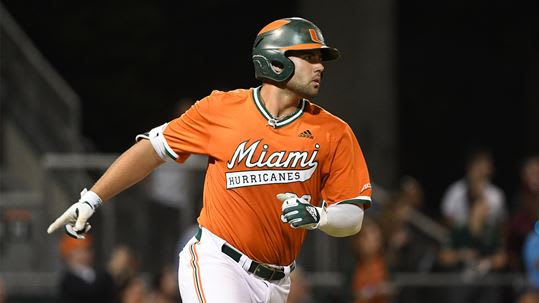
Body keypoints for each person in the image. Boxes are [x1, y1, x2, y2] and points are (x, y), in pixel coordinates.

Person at [47, 17, 372, 303]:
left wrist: (320, 216)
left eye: (320, 58)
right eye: (309, 56)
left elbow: (352, 216)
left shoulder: (333, 131)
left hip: (278, 283)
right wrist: (92, 198)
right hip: (220, 263)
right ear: (275, 60)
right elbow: (152, 149)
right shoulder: (221, 109)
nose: (320, 66)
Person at [440, 147, 507, 227]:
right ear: (469, 166)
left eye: (484, 165)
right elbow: (446, 220)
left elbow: (502, 225)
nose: (480, 169)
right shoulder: (456, 190)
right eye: (478, 164)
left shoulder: (496, 195)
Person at [58, 234, 115, 303]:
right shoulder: (68, 281)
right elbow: (90, 293)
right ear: (70, 254)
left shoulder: (96, 274)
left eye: (88, 249)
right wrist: (110, 271)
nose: (87, 254)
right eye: (82, 250)